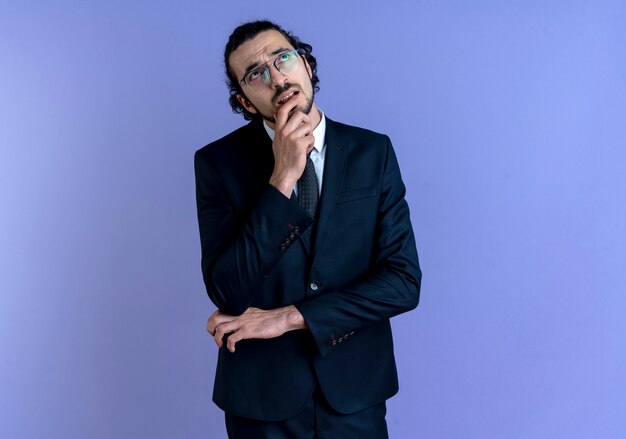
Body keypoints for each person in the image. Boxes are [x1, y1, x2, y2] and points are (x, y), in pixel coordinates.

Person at [194, 20, 421, 438]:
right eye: (256, 73)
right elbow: (228, 290)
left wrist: (290, 317)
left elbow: (403, 282)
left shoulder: (373, 152)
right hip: (261, 401)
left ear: (307, 66)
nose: (277, 76)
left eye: (283, 58)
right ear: (245, 101)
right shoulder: (217, 164)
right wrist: (282, 178)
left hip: (354, 392)